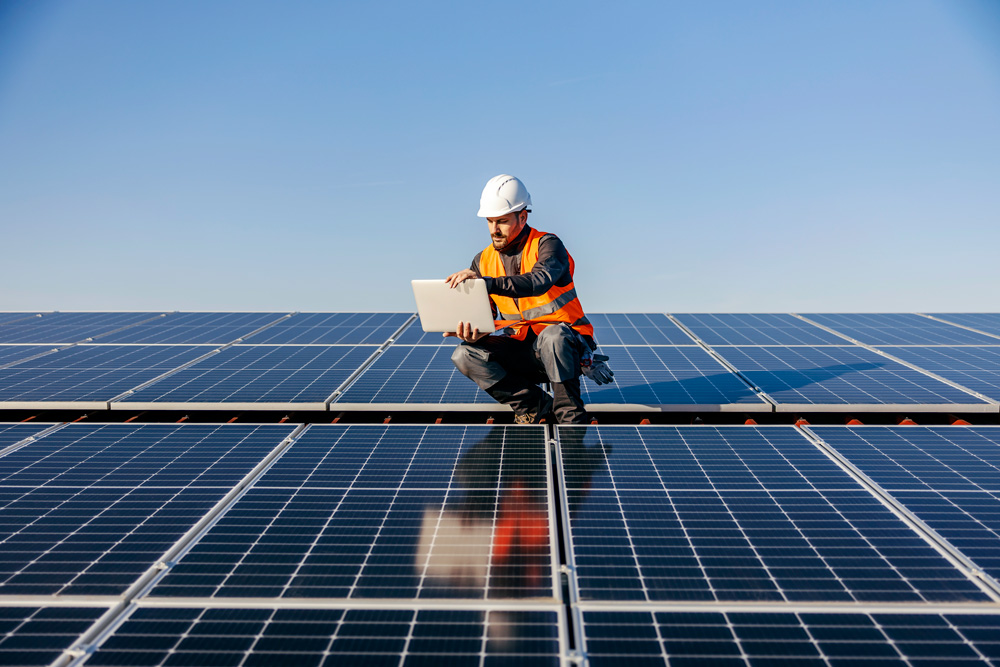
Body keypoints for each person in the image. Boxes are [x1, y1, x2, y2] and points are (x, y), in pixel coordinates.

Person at [445, 174, 613, 424]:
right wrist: (475, 333)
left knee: (554, 337)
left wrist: (486, 282)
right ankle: (534, 405)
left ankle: (569, 417)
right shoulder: (482, 260)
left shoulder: (548, 245)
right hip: (524, 349)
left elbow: (538, 281)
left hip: (566, 345)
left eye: (501, 221)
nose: (494, 229)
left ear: (522, 217)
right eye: (490, 221)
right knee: (464, 354)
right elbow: (488, 317)